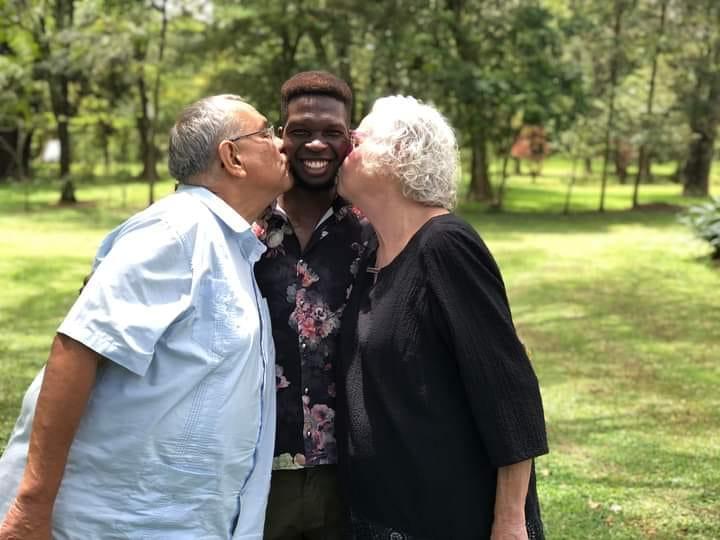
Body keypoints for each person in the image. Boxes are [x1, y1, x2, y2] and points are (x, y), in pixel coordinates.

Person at [0, 94, 290, 539]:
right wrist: (31, 507)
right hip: (118, 521)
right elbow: (78, 348)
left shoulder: (228, 243)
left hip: (176, 521)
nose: (281, 143)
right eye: (266, 133)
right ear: (232, 157)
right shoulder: (176, 231)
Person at [335, 95, 549, 540]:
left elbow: (509, 388)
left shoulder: (445, 245)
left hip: (451, 518)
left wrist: (510, 521)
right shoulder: (370, 253)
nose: (344, 144)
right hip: (378, 517)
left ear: (401, 153)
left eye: (358, 137)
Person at [253, 71, 372, 539]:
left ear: (351, 139)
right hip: (257, 467)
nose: (316, 144)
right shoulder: (242, 225)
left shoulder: (373, 227)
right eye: (300, 131)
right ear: (281, 136)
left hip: (356, 469)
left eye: (332, 133)